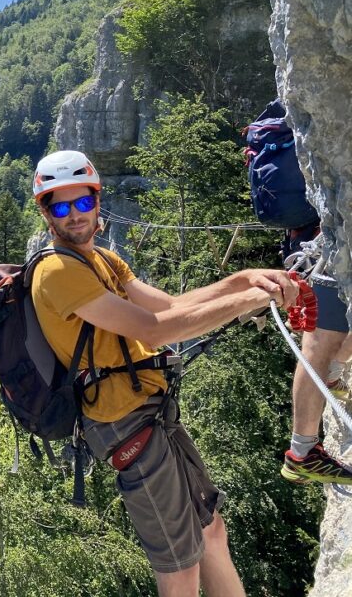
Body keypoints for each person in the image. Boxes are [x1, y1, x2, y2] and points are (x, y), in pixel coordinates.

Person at [30, 150, 299, 597]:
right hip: (122, 423)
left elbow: (170, 306)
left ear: (96, 201)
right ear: (46, 213)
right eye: (61, 206)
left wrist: (244, 279)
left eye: (82, 202)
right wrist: (248, 301)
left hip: (151, 412)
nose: (74, 215)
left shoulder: (101, 261)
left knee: (211, 531)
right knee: (179, 566)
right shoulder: (57, 272)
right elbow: (154, 330)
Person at [280, 228, 352, 484]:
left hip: (319, 242)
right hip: (322, 246)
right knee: (319, 344)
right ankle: (301, 454)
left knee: (330, 338)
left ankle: (331, 376)